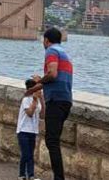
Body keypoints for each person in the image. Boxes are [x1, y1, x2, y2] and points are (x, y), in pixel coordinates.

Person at [26, 27, 73, 180]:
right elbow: (53, 80)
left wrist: (39, 80)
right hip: (65, 100)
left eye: (43, 40)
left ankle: (59, 178)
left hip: (55, 101)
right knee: (54, 140)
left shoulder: (51, 51)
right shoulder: (63, 53)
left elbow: (52, 74)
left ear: (46, 40)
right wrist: (34, 88)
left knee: (52, 141)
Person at [18, 78, 44, 180]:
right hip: (23, 130)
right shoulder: (26, 100)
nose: (39, 90)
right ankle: (30, 176)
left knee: (29, 154)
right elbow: (29, 113)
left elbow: (42, 115)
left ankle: (22, 175)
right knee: (26, 154)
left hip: (33, 131)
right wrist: (34, 100)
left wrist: (41, 99)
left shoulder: (38, 101)